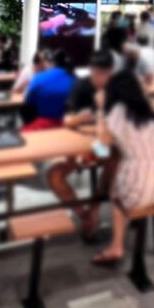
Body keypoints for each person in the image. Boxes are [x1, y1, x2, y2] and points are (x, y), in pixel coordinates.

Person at [93, 71, 154, 265]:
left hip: (141, 185)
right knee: (128, 177)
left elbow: (101, 150)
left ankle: (116, 247)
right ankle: (133, 228)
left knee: (115, 192)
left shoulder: (118, 112)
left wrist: (101, 110)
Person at [48, 51, 117, 240]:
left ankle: (94, 210)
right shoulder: (81, 85)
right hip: (82, 148)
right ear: (91, 70)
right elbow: (67, 120)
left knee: (113, 161)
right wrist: (79, 118)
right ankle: (84, 216)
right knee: (55, 176)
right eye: (97, 73)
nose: (101, 79)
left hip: (104, 146)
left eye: (106, 74)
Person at [22, 50, 75, 130]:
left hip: (43, 124)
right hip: (71, 124)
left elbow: (28, 100)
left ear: (51, 63)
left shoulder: (38, 78)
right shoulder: (75, 79)